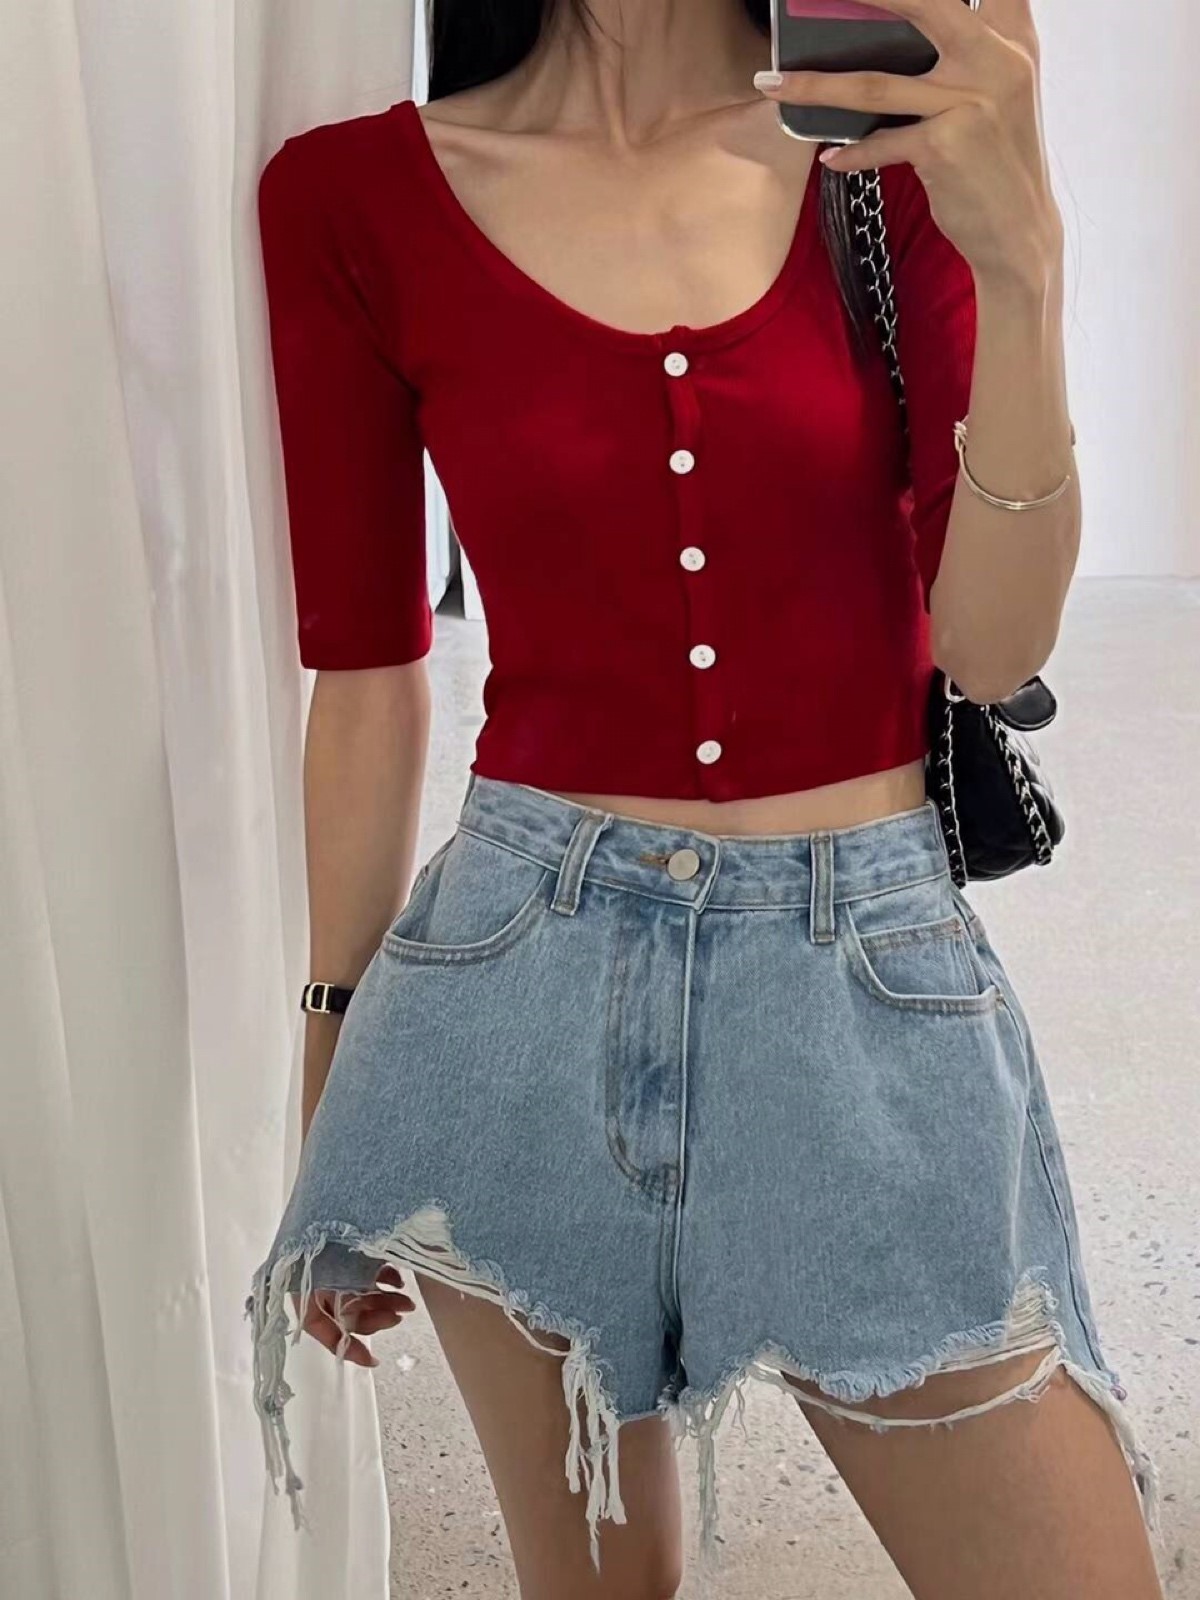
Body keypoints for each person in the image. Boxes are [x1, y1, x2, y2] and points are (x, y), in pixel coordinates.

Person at [246, 2, 1164, 1595]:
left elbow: (995, 643)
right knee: (607, 1582)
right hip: (512, 992)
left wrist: (1026, 265)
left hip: (859, 976)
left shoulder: (885, 163)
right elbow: (368, 674)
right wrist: (333, 1053)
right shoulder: (349, 199)